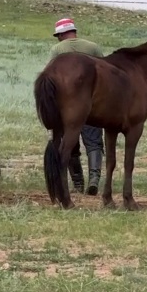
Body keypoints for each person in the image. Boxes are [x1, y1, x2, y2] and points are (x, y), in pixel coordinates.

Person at [49, 17, 105, 195]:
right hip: (92, 105)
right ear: (74, 31)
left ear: (60, 34)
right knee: (94, 142)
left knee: (70, 144)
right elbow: (106, 73)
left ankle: (78, 183)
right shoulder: (93, 47)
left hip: (67, 106)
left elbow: (51, 79)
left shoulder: (57, 50)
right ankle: (94, 179)